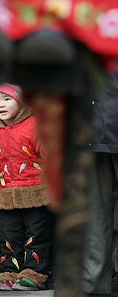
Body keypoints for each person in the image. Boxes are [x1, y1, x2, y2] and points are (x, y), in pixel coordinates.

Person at [0, 83, 53, 291]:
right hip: (6, 194)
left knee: (36, 235)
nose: (0, 105)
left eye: (7, 99)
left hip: (34, 192)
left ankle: (34, 274)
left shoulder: (33, 124)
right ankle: (9, 272)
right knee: (8, 237)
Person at [82, 67, 118, 297]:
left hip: (95, 119)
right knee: (94, 213)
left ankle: (93, 283)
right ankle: (93, 284)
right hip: (93, 124)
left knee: (96, 213)